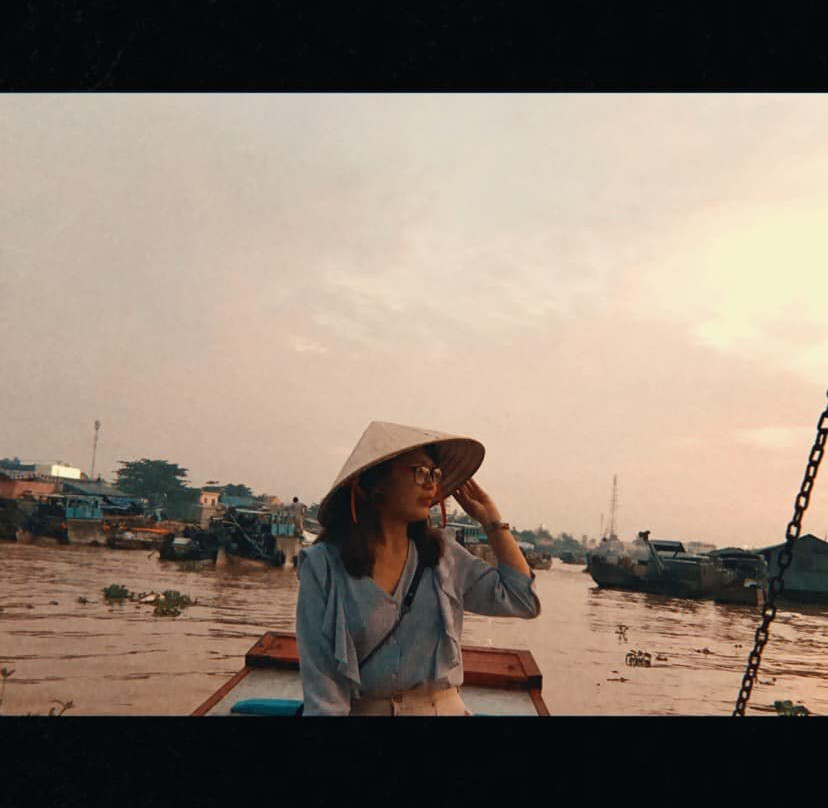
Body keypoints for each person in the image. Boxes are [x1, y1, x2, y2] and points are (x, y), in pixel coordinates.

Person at [295, 421, 541, 716]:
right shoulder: (322, 566)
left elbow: (522, 600)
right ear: (374, 484)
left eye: (434, 474)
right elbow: (324, 692)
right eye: (419, 471)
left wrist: (492, 521)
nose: (431, 483)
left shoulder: (444, 556)